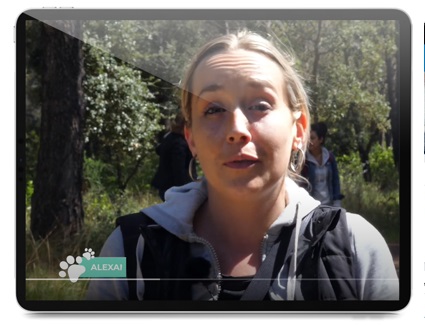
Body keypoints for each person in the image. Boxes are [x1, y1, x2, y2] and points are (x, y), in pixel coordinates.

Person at [86, 31, 399, 301]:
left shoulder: (357, 249)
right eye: (214, 109)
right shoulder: (129, 251)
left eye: (260, 105)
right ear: (191, 137)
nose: (237, 129)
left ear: (299, 129)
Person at [151, 113, 196, 201]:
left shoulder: (170, 137)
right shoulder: (180, 143)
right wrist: (184, 191)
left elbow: (159, 150)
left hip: (166, 186)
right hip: (175, 189)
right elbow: (179, 169)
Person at [301, 122, 344, 207]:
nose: (309, 141)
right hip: (311, 206)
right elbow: (301, 183)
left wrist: (337, 201)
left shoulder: (329, 157)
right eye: (308, 138)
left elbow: (335, 181)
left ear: (321, 139)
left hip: (329, 204)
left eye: (312, 138)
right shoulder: (304, 159)